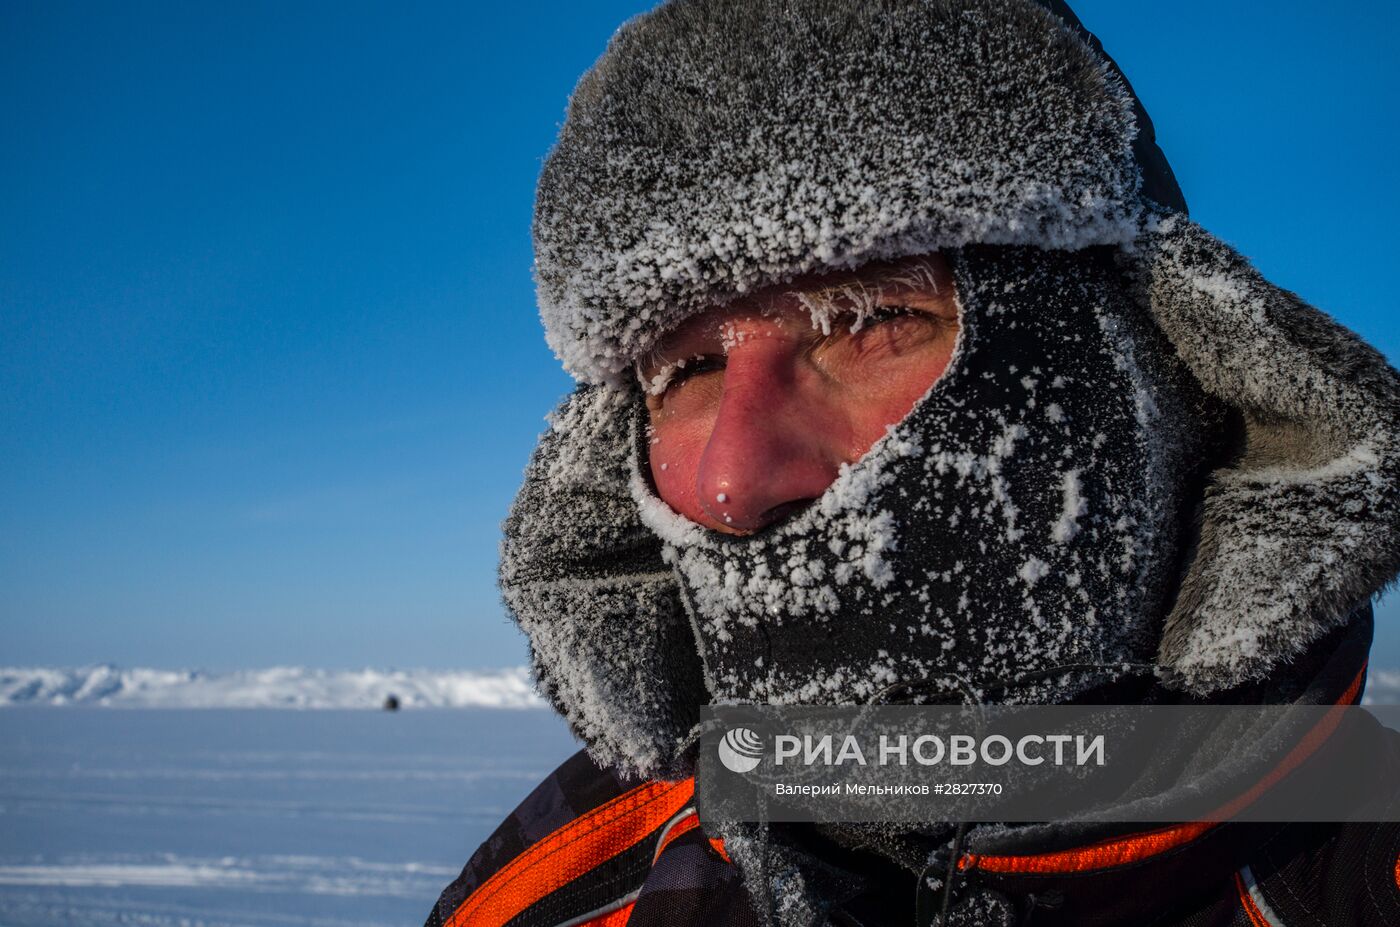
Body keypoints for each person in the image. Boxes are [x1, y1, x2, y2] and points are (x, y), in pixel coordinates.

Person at [425, 1, 1400, 924]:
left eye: (874, 318)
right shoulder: (558, 882)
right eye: (683, 371)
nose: (729, 483)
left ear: (1150, 370)